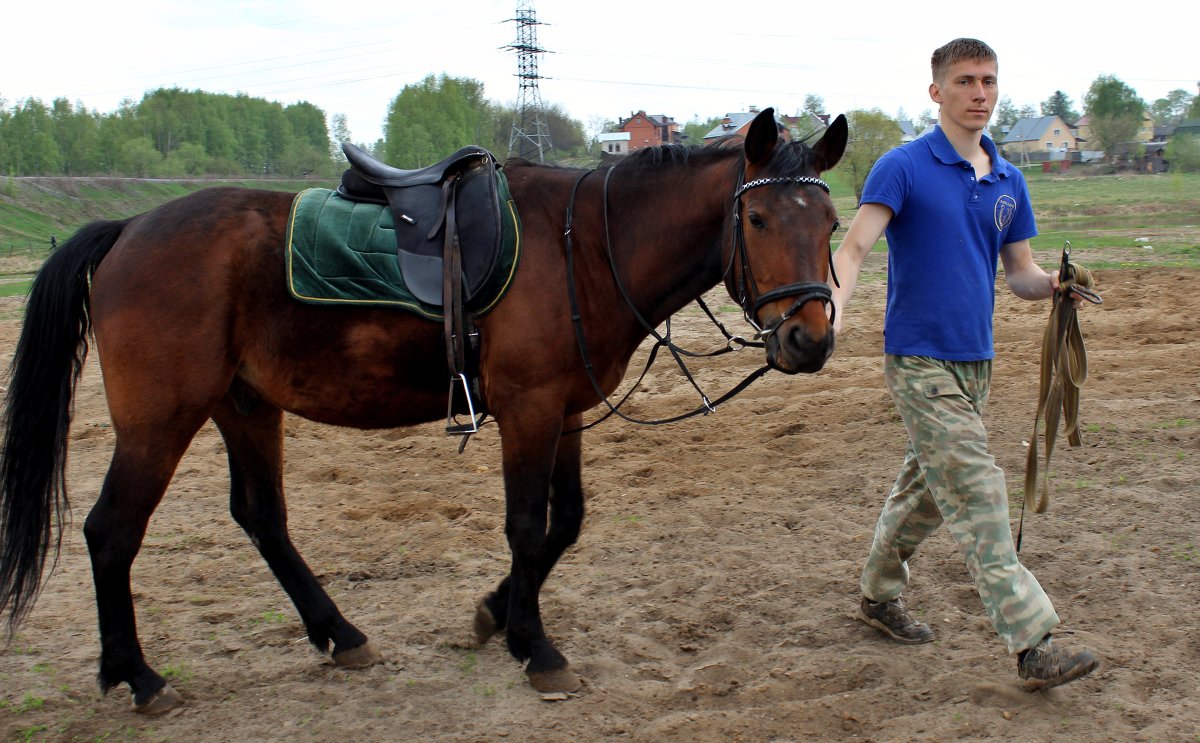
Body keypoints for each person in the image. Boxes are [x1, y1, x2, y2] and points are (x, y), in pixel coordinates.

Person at [831, 37, 1099, 690]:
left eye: (988, 81)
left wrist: (1056, 287)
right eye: (966, 81)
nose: (980, 92)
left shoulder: (1010, 180)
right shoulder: (902, 166)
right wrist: (834, 309)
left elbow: (1021, 273)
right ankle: (1034, 640)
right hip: (918, 360)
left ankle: (878, 593)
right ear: (937, 93)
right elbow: (855, 248)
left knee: (925, 489)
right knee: (978, 489)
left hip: (976, 364)